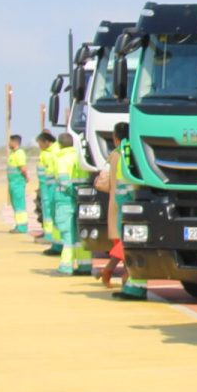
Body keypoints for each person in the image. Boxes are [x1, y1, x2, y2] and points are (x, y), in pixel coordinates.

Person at [97, 125, 147, 299]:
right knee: (129, 242)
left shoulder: (117, 154)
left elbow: (101, 180)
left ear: (116, 138)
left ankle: (114, 273)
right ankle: (129, 284)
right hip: (131, 201)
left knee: (126, 241)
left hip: (121, 204)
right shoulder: (136, 151)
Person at [56, 133, 95, 277]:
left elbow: (64, 182)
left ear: (59, 144)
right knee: (81, 234)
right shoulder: (80, 157)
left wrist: (73, 194)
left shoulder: (61, 159)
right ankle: (85, 265)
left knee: (68, 235)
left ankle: (66, 265)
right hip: (83, 199)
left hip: (66, 200)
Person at [34, 132, 60, 251]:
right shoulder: (46, 152)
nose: (39, 145)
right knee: (47, 210)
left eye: (40, 143)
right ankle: (48, 233)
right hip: (46, 185)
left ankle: (50, 235)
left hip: (52, 186)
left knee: (50, 211)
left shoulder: (54, 152)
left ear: (46, 142)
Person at [5, 135, 28, 233]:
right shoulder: (12, 154)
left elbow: (22, 168)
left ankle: (22, 227)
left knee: (20, 205)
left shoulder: (19, 153)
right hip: (13, 183)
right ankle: (18, 225)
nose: (9, 144)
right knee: (15, 205)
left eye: (10, 141)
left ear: (15, 142)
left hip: (18, 183)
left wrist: (26, 177)